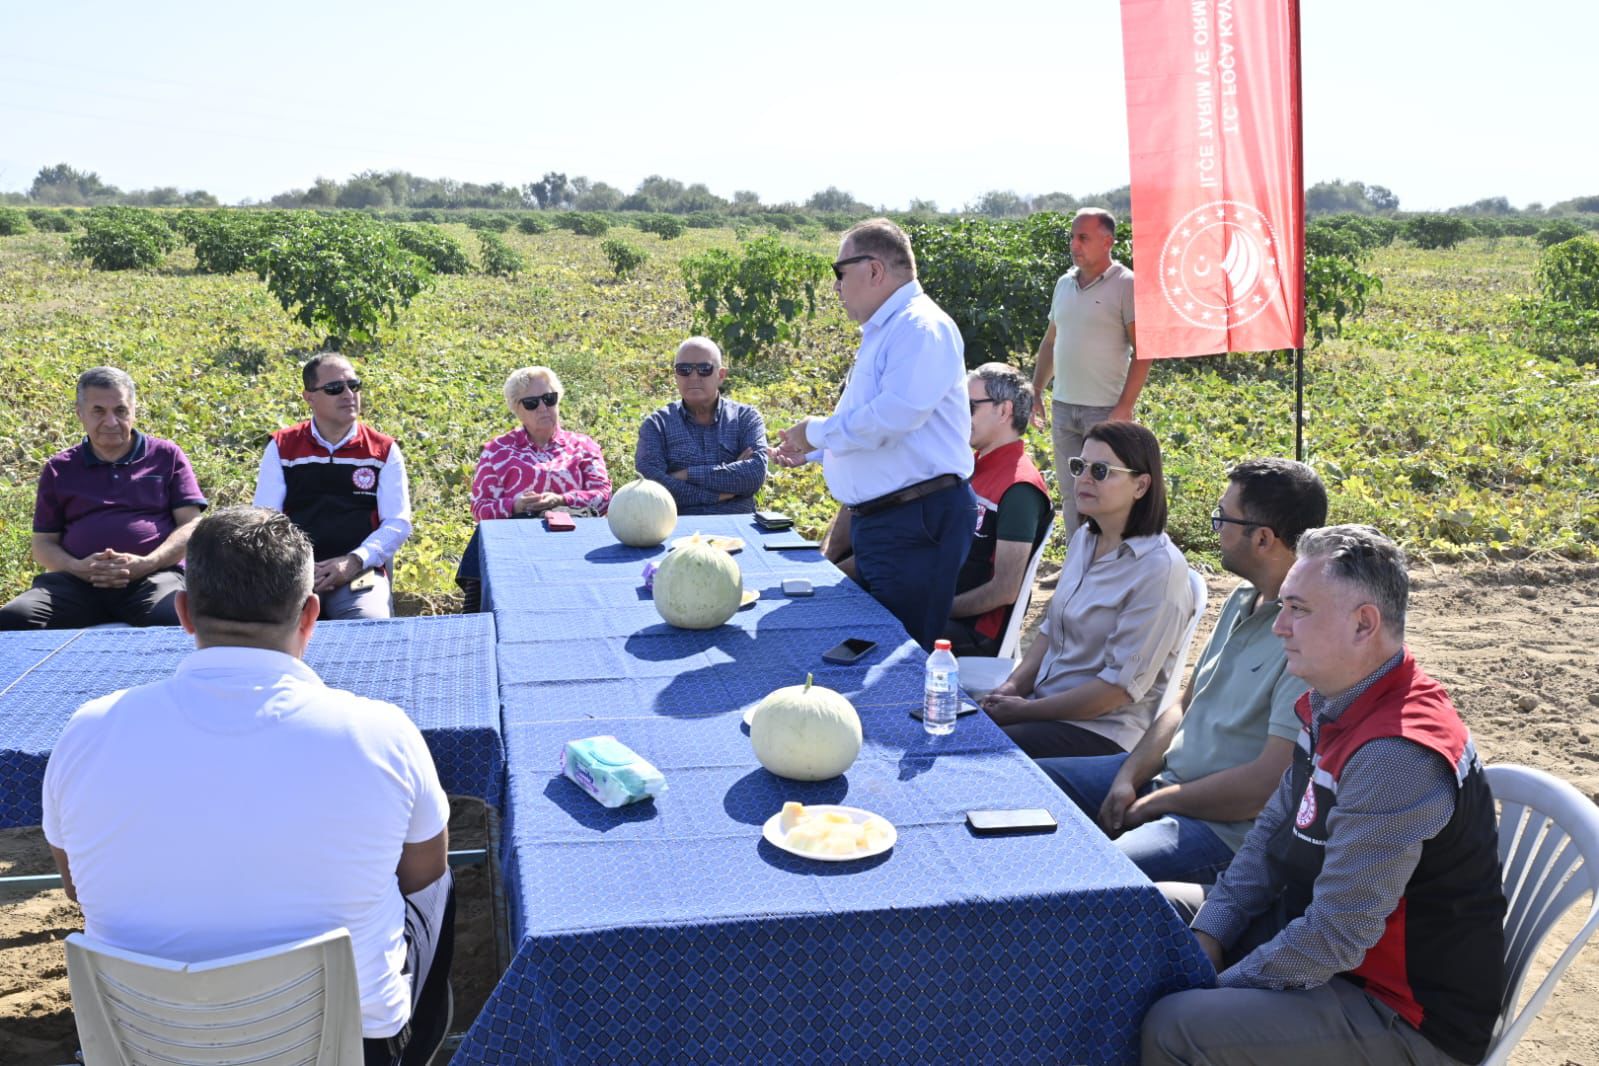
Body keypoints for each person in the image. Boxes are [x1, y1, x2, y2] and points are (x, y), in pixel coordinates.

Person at [42, 507, 454, 1066]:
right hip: (349, 1046)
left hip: (141, 1042)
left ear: (183, 612)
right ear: (311, 614)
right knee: (437, 898)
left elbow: (74, 884)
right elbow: (423, 877)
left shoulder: (87, 730)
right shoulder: (382, 732)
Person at [1143, 525, 1506, 1066]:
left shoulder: (1396, 753)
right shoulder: (1333, 699)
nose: (1281, 627)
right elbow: (1270, 838)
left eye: (1299, 609)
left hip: (1400, 1014)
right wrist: (1213, 930)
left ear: (1364, 624)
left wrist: (1218, 985)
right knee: (1143, 915)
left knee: (1177, 1026)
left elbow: (1336, 936)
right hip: (1333, 956)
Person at [1036, 459, 1327, 884]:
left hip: (1220, 830)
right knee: (1028, 784)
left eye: (1222, 517)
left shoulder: (1305, 637)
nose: (1217, 530)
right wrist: (1129, 775)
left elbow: (1262, 787)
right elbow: (1184, 703)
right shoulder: (1243, 599)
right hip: (1166, 781)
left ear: (1263, 538)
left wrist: (1158, 802)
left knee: (1087, 876)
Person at [773, 218, 975, 650]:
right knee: (874, 651)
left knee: (895, 657)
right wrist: (814, 452)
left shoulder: (921, 328)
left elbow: (893, 418)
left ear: (874, 270)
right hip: (894, 521)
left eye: (839, 273)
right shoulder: (891, 329)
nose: (837, 288)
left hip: (916, 521)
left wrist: (817, 431)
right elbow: (888, 437)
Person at [979, 421, 1191, 758]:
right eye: (1079, 466)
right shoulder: (1084, 540)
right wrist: (1010, 688)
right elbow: (1050, 633)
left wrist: (1023, 710)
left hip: (1099, 732)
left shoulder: (1159, 570)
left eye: (1102, 470)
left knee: (977, 750)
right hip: (1041, 709)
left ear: (1141, 485)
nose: (1084, 478)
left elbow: (1115, 692)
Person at [0, 367, 206, 630]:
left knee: (176, 620)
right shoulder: (60, 467)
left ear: (133, 410)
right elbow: (43, 544)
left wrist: (148, 563)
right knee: (13, 620)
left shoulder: (166, 456)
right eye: (98, 411)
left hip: (155, 578)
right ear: (80, 413)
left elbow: (192, 525)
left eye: (120, 411)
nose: (111, 422)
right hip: (75, 584)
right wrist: (77, 567)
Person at [253, 353, 412, 620]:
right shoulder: (282, 446)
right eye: (335, 388)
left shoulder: (383, 450)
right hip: (293, 573)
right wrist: (298, 569)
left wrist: (354, 561)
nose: (348, 394)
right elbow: (266, 519)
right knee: (268, 626)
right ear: (309, 397)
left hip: (359, 573)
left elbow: (397, 523)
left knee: (369, 624)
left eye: (354, 385)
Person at [457, 366, 612, 611]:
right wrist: (514, 504)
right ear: (516, 409)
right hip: (516, 550)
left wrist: (562, 499)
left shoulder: (583, 446)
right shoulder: (497, 451)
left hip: (573, 542)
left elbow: (603, 497)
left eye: (549, 399)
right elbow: (480, 508)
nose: (543, 408)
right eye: (531, 403)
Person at [1029, 208, 1142, 536]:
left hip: (1105, 410)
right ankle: (1078, 564)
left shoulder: (1126, 284)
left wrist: (1124, 407)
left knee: (1107, 495)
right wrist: (1037, 389)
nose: (1074, 245)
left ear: (1108, 242)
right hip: (1064, 407)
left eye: (1083, 238)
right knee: (1072, 492)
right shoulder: (1064, 284)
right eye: (1072, 237)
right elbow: (1051, 342)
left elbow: (1144, 352)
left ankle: (1109, 564)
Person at [939, 363, 1051, 656]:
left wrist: (936, 606)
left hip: (973, 633)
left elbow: (1005, 589)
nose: (960, 414)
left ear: (1004, 411)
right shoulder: (971, 464)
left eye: (970, 406)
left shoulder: (1019, 488)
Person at [634, 337, 768, 515]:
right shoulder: (657, 425)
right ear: (676, 375)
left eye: (704, 369)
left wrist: (685, 475)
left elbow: (754, 475)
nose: (694, 377)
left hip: (738, 527)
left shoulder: (746, 419)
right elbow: (652, 488)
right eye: (684, 370)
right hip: (676, 529)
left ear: (721, 375)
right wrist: (721, 493)